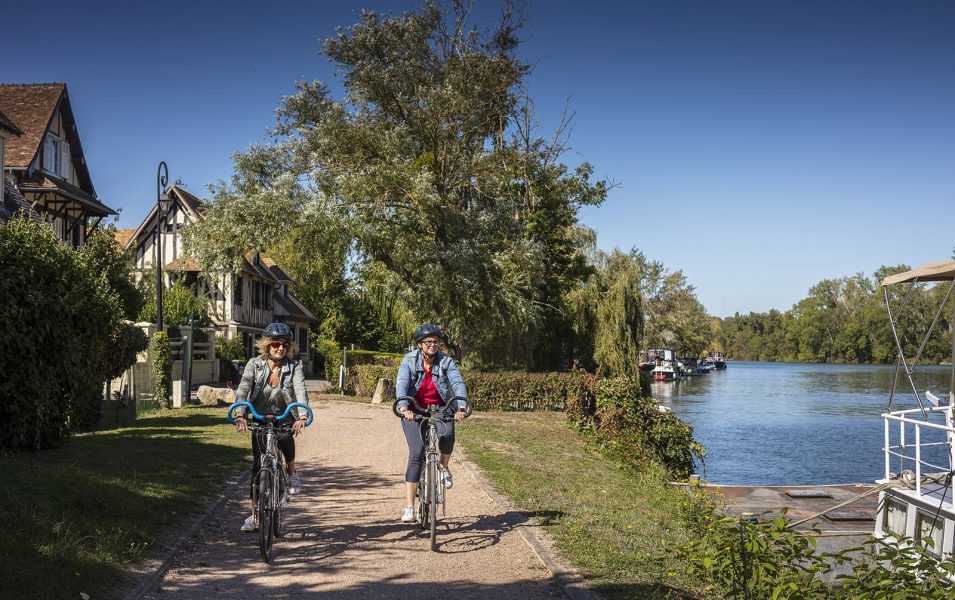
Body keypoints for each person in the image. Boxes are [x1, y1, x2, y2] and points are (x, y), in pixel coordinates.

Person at [232, 322, 309, 532]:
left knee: (284, 437)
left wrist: (302, 415)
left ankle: (292, 472)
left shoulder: (293, 368)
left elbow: (300, 390)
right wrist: (240, 412)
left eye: (285, 344)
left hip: (283, 416)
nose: (280, 348)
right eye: (276, 344)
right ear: (267, 345)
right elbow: (244, 388)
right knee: (257, 468)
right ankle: (255, 516)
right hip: (258, 416)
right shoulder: (253, 365)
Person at [395, 323, 469, 523]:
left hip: (441, 408)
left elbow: (457, 382)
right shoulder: (409, 360)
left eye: (436, 341)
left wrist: (461, 407)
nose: (433, 345)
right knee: (417, 452)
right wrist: (403, 407)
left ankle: (443, 468)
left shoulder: (446, 361)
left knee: (447, 435)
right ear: (420, 344)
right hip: (414, 409)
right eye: (429, 341)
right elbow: (402, 383)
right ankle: (409, 506)